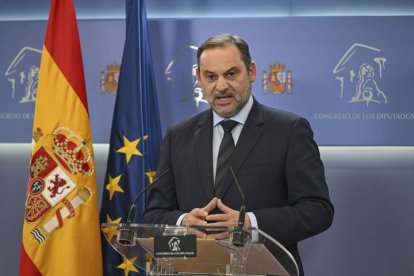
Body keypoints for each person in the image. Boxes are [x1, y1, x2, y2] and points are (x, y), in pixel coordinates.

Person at [143, 34, 334, 275]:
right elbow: (154, 214)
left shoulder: (289, 130)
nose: (221, 86)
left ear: (251, 71)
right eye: (211, 76)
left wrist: (251, 223)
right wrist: (183, 223)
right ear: (199, 79)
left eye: (231, 74)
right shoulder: (178, 135)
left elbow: (317, 210)